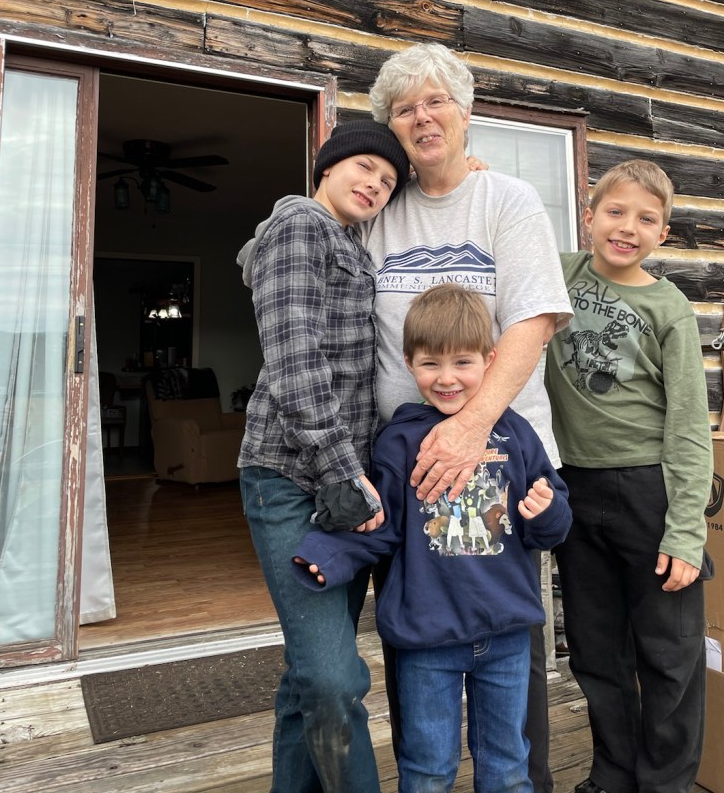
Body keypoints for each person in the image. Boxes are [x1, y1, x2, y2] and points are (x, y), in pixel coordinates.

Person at [360, 43, 573, 792]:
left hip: (499, 459)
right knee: (419, 649)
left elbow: (534, 319)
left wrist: (470, 425)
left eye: (436, 102)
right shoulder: (378, 211)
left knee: (508, 653)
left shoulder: (507, 200)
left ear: (465, 112)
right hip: (408, 469)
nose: (422, 117)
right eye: (404, 108)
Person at [293, 283, 573, 793]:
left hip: (507, 633)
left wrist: (547, 511)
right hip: (427, 639)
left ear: (490, 360)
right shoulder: (400, 441)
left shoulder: (517, 435)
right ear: (408, 363)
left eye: (463, 362)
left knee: (509, 767)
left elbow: (550, 527)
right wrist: (327, 555)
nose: (446, 378)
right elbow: (381, 523)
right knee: (427, 770)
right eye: (430, 364)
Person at [236, 119, 411, 793]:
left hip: (344, 481)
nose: (374, 185)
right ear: (327, 166)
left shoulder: (351, 244)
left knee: (307, 674)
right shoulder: (300, 225)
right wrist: (344, 475)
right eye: (364, 167)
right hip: (292, 476)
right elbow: (294, 361)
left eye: (388, 181)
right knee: (335, 678)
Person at [544, 159, 714, 793]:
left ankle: (666, 783)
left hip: (650, 491)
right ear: (588, 217)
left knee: (668, 653)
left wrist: (686, 531)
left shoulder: (669, 307)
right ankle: (612, 775)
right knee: (595, 650)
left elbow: (690, 424)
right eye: (615, 212)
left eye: (646, 219)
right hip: (575, 488)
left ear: (662, 234)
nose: (627, 228)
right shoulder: (558, 274)